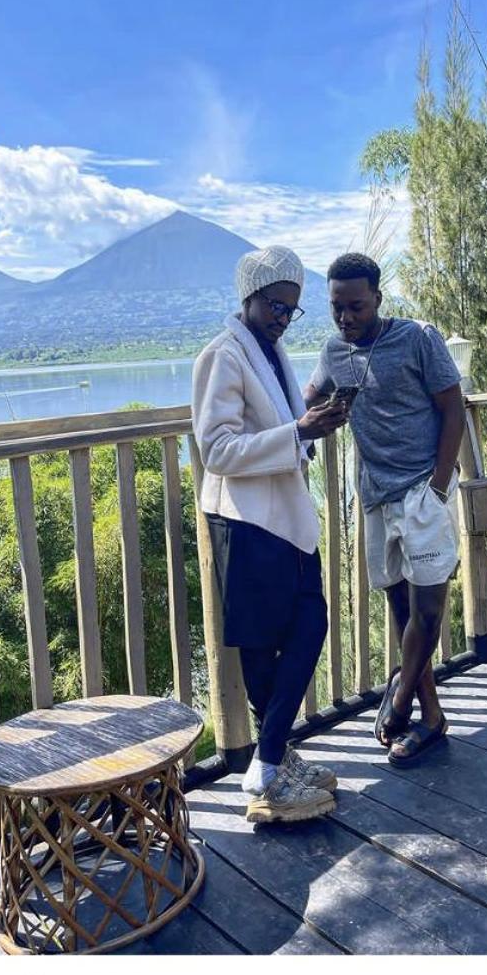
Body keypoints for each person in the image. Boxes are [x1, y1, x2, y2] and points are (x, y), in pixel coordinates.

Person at [192, 245, 348, 824]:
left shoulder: (271, 352)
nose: (284, 317)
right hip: (245, 518)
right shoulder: (223, 356)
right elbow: (216, 450)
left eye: (291, 309)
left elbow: (281, 431)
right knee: (261, 645)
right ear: (250, 298)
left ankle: (271, 757)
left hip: (285, 517)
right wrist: (297, 432)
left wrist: (307, 433)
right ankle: (268, 772)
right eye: (276, 306)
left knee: (309, 621)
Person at [306, 252, 466, 764]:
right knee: (400, 609)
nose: (345, 317)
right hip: (376, 496)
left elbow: (454, 407)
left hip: (422, 491)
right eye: (336, 307)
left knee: (428, 610)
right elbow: (307, 398)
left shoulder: (418, 338)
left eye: (356, 306)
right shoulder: (335, 352)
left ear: (377, 297)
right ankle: (431, 718)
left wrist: (438, 486)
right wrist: (299, 426)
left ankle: (399, 704)